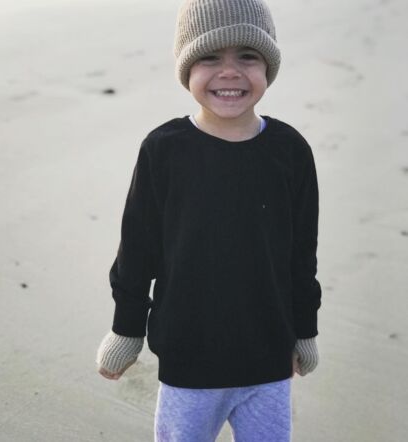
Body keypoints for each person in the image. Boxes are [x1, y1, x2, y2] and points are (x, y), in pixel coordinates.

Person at [96, 0, 322, 440]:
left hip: (269, 361)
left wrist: (305, 330)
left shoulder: (291, 151)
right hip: (189, 361)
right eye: (210, 57)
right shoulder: (163, 151)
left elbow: (301, 254)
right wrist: (126, 330)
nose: (230, 71)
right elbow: (137, 252)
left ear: (268, 66)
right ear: (186, 68)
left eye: (247, 56)